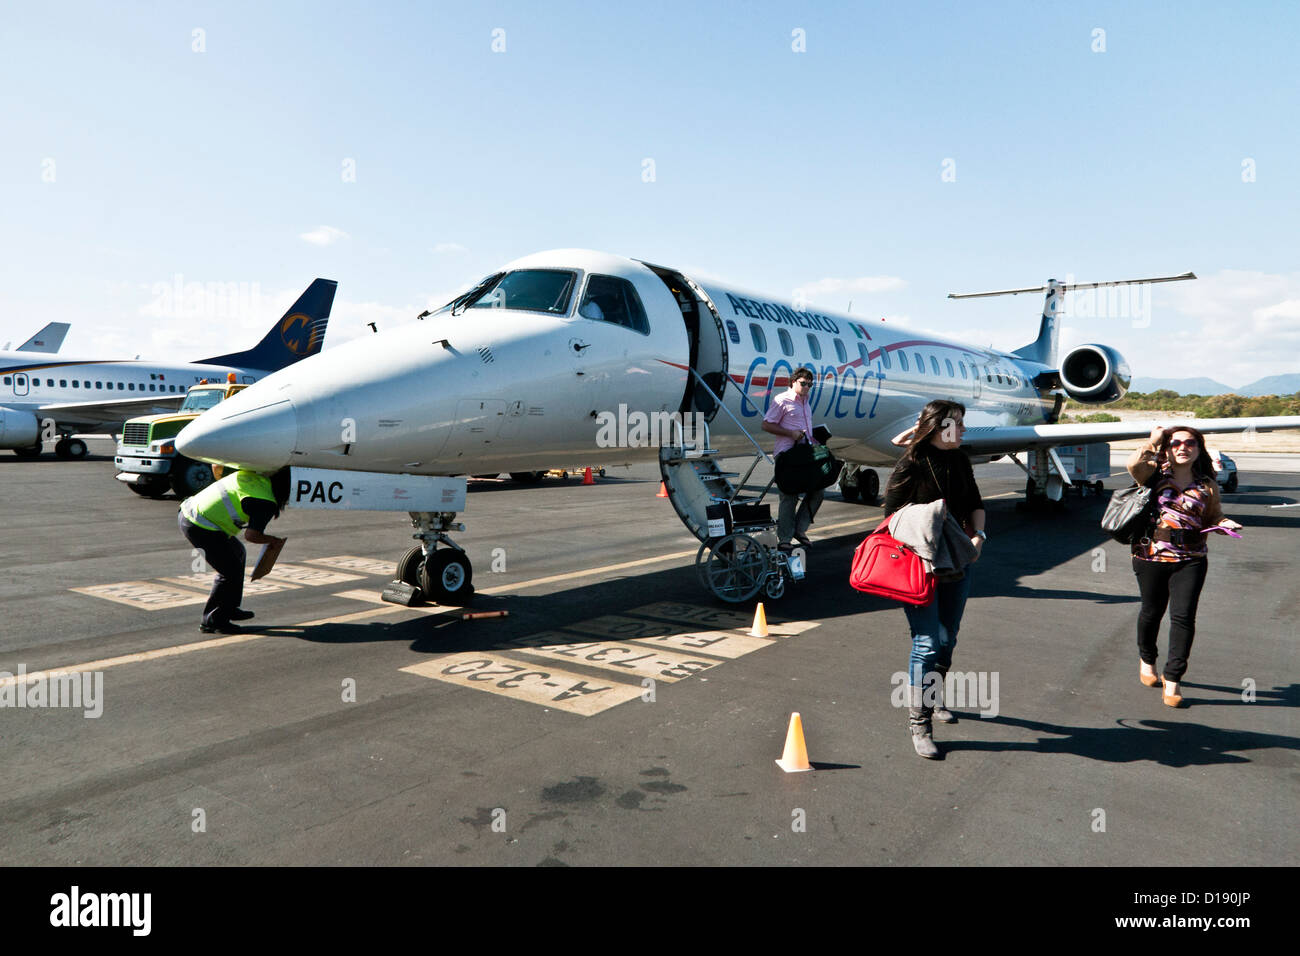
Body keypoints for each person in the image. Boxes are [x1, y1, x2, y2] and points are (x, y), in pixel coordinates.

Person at [882, 400, 986, 758]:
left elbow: (975, 501)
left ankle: (933, 696)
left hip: (959, 559)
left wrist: (978, 537)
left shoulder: (960, 459)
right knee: (926, 644)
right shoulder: (911, 463)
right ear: (941, 427)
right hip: (919, 566)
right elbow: (891, 518)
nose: (964, 429)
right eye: (958, 423)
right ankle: (919, 722)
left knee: (947, 639)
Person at [1126, 425, 1241, 706]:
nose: (1182, 447)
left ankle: (1173, 679)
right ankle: (1147, 659)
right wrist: (1153, 443)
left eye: (1190, 443)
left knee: (1183, 617)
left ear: (1198, 449)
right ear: (1167, 448)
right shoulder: (1152, 475)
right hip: (1150, 555)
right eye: (1175, 443)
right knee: (1152, 612)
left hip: (1191, 559)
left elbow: (1214, 516)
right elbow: (1133, 464)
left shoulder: (1206, 485)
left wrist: (1224, 524)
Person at [178, 467, 290, 634]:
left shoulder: (254, 477)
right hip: (199, 524)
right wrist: (272, 540)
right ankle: (213, 620)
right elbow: (252, 535)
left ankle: (229, 607)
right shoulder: (266, 502)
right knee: (228, 571)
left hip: (192, 512)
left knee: (238, 554)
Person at [761, 367, 822, 550]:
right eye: (803, 383)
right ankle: (785, 539)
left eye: (810, 384)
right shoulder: (782, 400)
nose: (807, 387)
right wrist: (790, 434)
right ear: (793, 382)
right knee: (789, 496)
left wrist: (815, 440)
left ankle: (799, 529)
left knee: (818, 491)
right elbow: (766, 424)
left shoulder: (806, 402)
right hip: (787, 455)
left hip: (805, 454)